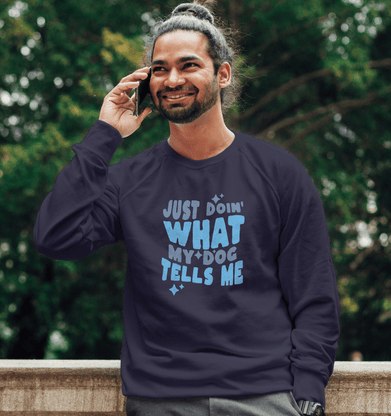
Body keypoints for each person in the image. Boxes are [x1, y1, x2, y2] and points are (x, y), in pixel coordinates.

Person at [34, 1, 340, 415]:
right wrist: (105, 134)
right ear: (147, 82)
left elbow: (314, 293)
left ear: (223, 73)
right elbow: (55, 236)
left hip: (264, 396)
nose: (172, 79)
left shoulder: (278, 172)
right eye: (159, 69)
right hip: (161, 398)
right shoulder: (130, 179)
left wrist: (308, 387)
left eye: (189, 64)